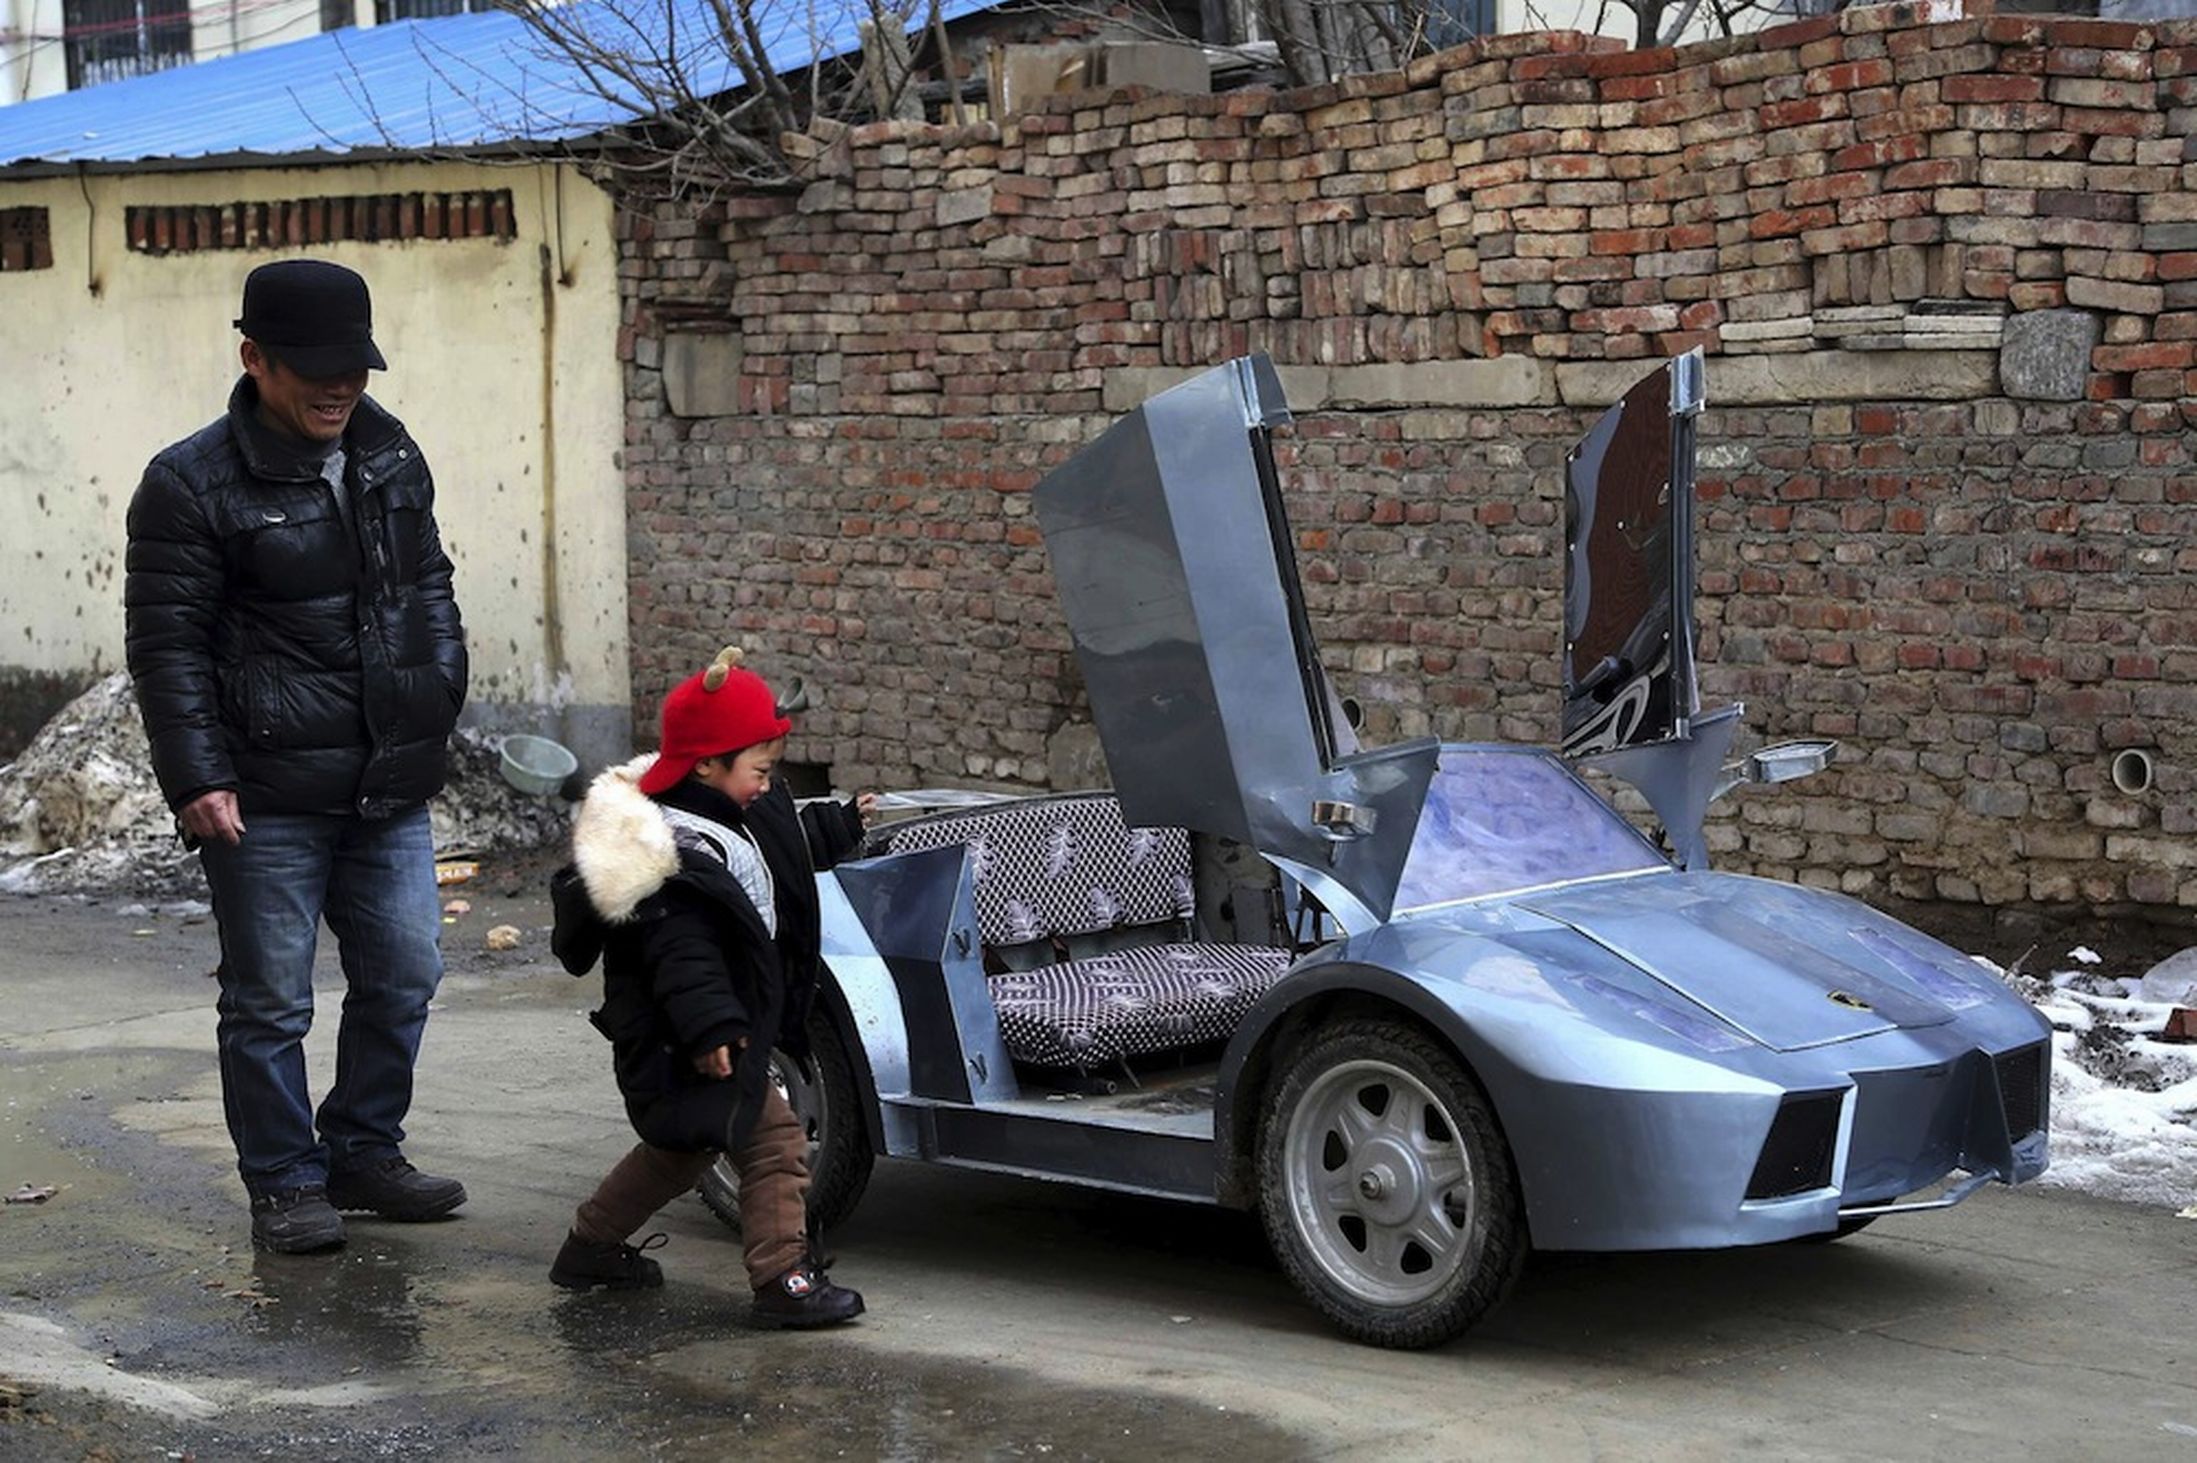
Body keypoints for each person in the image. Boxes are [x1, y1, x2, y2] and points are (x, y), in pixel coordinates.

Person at [124, 259, 469, 1254]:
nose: (339, 389)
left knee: (407, 968)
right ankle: (283, 1179)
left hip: (388, 776)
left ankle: (363, 1148)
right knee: (272, 996)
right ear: (253, 359)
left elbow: (428, 585)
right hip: (264, 791)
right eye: (315, 370)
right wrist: (196, 773)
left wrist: (436, 687)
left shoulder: (391, 456)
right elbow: (167, 642)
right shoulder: (189, 482)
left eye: (353, 368)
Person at [548, 646, 871, 1328]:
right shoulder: (671, 855)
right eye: (758, 769)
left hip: (702, 1033)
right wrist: (713, 1026)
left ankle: (589, 1247)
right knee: (775, 1140)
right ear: (706, 765)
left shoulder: (722, 816)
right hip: (686, 1035)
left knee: (682, 1147)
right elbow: (680, 953)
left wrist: (839, 825)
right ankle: (783, 1278)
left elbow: (775, 847)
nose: (765, 783)